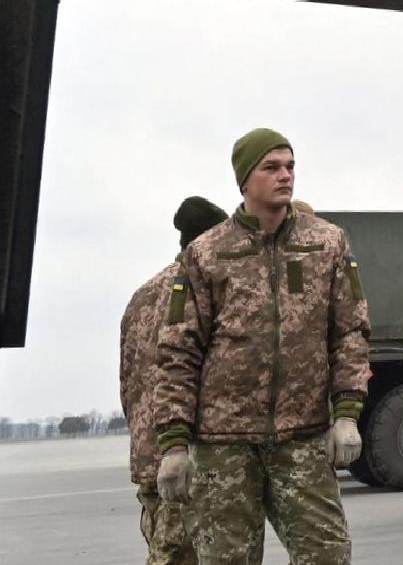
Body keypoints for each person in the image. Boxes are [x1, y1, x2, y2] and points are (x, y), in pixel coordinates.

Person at [150, 128, 372, 565]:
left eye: (290, 166)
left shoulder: (326, 243)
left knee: (328, 556)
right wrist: (174, 443)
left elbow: (350, 331)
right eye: (271, 167)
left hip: (302, 438)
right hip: (223, 444)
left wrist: (346, 413)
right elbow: (178, 352)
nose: (285, 176)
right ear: (245, 180)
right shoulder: (207, 253)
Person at [121, 196, 229, 565]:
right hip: (188, 453)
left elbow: (128, 381)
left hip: (150, 453)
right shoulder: (204, 291)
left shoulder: (143, 295)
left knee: (164, 549)